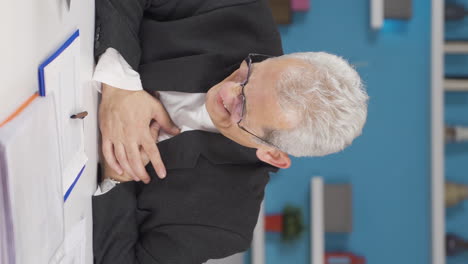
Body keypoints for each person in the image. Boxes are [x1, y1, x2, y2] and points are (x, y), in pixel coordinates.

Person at [92, 0, 369, 263]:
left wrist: (119, 170)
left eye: (242, 109)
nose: (228, 91)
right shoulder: (243, 8)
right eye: (250, 72)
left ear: (272, 154)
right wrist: (121, 85)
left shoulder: (225, 223)